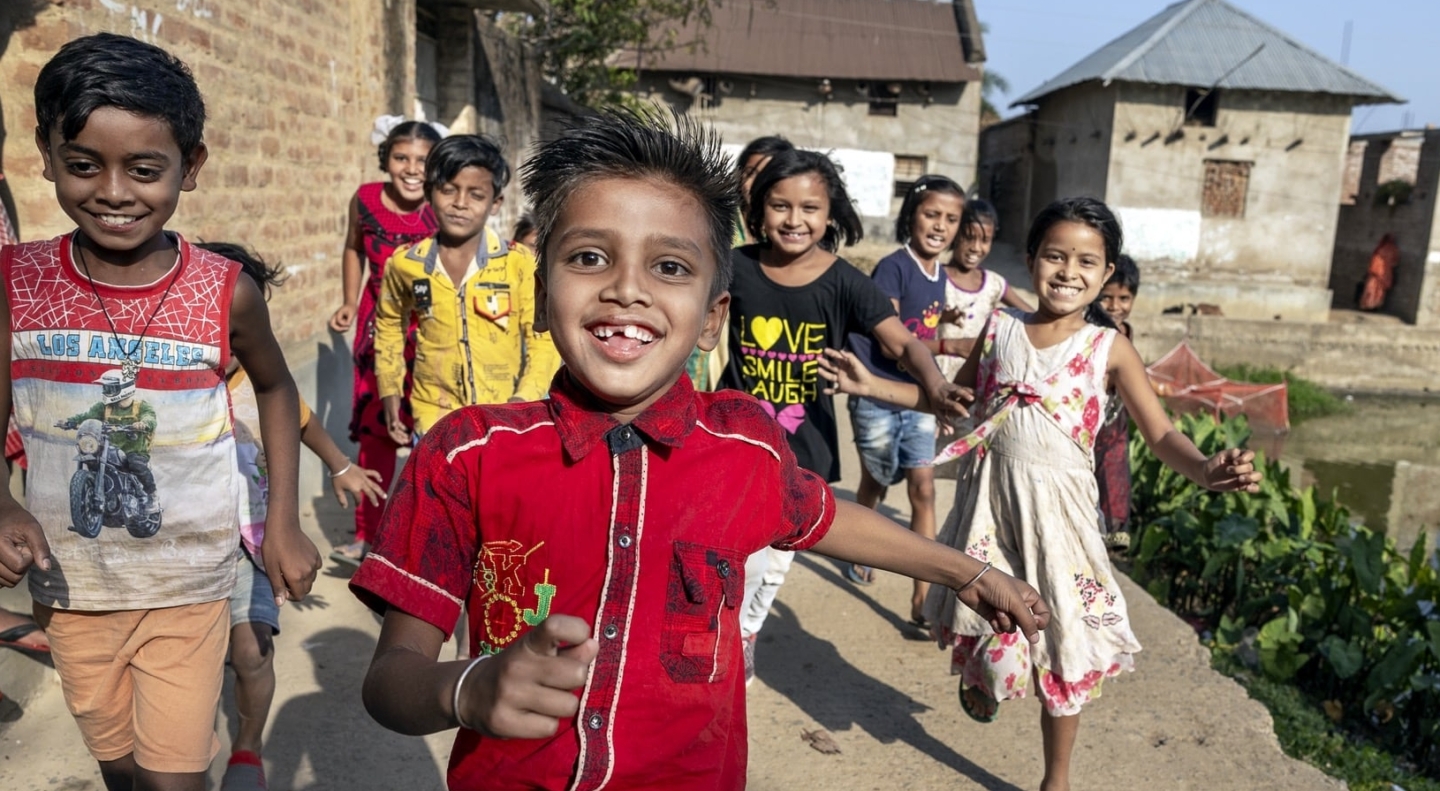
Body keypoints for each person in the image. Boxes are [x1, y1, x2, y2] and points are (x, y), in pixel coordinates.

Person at [349, 109, 1049, 791]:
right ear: (539, 294)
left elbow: (822, 518)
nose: (627, 289)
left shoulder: (744, 445)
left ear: (713, 318)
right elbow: (390, 680)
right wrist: (468, 688)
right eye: (589, 257)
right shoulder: (467, 453)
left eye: (669, 266)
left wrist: (966, 573)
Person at [820, 196, 1261, 791]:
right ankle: (985, 673)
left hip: (1061, 525)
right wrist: (871, 384)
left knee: (1063, 644)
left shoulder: (1109, 348)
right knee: (992, 625)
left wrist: (1207, 469)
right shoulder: (1001, 329)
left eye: (1086, 261)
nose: (1068, 272)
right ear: (1030, 260)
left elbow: (1160, 434)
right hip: (991, 513)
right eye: (1055, 256)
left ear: (1106, 274)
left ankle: (1057, 778)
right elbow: (950, 401)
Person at [0, 33, 321, 791]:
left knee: (173, 778)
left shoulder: (225, 290)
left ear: (191, 166)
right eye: (84, 164)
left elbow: (277, 389)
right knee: (119, 768)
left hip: (191, 583)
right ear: (45, 155)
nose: (114, 191)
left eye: (144, 170)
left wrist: (281, 522)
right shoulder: (17, 280)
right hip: (71, 588)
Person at [720, 148, 965, 683]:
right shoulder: (735, 267)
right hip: (734, 437)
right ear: (759, 210)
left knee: (777, 558)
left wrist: (936, 384)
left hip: (802, 445)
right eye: (780, 206)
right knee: (742, 556)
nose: (795, 219)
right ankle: (727, 638)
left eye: (810, 208)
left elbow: (904, 343)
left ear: (830, 214)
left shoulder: (844, 281)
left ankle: (748, 631)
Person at [198, 242, 388, 790]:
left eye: (237, 329)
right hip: (185, 544)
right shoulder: (175, 384)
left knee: (251, 649)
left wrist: (340, 466)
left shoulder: (262, 385)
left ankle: (247, 748)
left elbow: (303, 421)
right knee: (195, 659)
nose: (227, 343)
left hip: (252, 541)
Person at [373, 133, 559, 449]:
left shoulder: (517, 263)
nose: (460, 203)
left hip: (501, 422)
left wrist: (523, 399)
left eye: (476, 194)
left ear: (495, 203)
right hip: (433, 421)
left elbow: (542, 337)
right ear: (429, 192)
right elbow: (389, 325)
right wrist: (389, 389)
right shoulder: (406, 264)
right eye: (449, 190)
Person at [842, 175, 963, 624]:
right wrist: (952, 345)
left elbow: (922, 321)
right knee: (876, 480)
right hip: (875, 389)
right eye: (932, 214)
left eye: (951, 219)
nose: (940, 226)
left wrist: (946, 318)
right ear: (911, 216)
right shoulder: (893, 267)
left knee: (923, 488)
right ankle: (857, 545)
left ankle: (921, 598)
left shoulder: (940, 273)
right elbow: (893, 340)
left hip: (915, 397)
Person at [326, 117, 442, 564]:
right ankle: (368, 534)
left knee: (430, 430)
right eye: (401, 158)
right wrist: (349, 301)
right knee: (376, 433)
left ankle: (424, 538)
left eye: (423, 160)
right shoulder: (366, 200)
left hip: (431, 334)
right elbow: (353, 248)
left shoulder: (443, 205)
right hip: (378, 331)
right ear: (385, 159)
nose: (411, 169)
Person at [935, 198, 1033, 382]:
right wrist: (939, 317)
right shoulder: (936, 277)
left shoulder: (993, 283)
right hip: (937, 378)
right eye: (969, 238)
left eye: (985, 240)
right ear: (955, 234)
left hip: (976, 381)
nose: (976, 248)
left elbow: (1031, 316)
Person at [1095, 254, 1140, 548]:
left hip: (1114, 421)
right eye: (1106, 297)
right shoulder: (1090, 332)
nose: (1115, 306)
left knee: (1114, 476)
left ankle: (1112, 537)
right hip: (1089, 421)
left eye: (1124, 298)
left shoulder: (1125, 333)